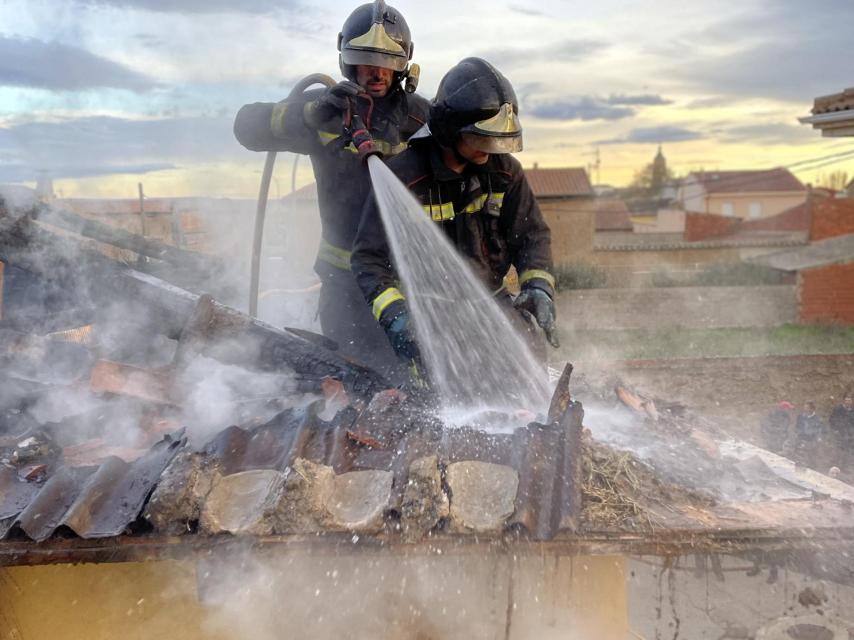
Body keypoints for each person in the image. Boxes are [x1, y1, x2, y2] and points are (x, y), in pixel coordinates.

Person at [233, 1, 429, 381]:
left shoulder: (421, 119)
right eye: (363, 60)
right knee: (347, 385)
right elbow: (246, 126)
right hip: (344, 289)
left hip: (408, 287)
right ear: (346, 61)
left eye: (386, 62)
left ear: (403, 64)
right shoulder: (325, 110)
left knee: (411, 387)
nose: (374, 72)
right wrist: (307, 115)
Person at [350, 57, 557, 370]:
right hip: (429, 317)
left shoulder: (504, 173)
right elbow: (368, 258)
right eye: (480, 137)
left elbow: (532, 236)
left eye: (496, 138)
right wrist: (397, 317)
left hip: (492, 304)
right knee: (437, 408)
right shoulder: (404, 178)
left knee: (531, 376)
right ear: (449, 129)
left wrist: (538, 287)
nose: (490, 148)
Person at [793, 401, 825, 469]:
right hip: (801, 439)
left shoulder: (818, 419)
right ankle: (798, 470)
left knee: (811, 457)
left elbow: (820, 430)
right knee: (799, 457)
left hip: (812, 441)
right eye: (804, 407)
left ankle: (811, 471)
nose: (805, 409)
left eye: (807, 408)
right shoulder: (800, 416)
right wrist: (798, 433)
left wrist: (818, 438)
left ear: (812, 409)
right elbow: (797, 426)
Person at [829, 391, 854, 469]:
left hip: (849, 435)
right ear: (844, 400)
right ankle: (835, 465)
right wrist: (835, 429)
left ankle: (845, 467)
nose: (848, 402)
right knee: (837, 450)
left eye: (849, 400)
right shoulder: (838, 409)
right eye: (846, 400)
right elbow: (832, 419)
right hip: (838, 433)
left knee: (847, 451)